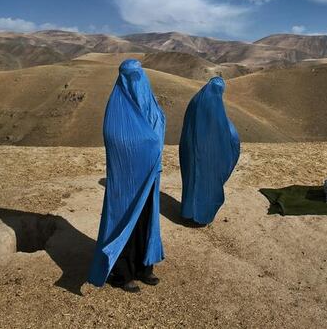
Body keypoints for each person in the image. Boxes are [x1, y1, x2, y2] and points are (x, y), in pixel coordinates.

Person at [88, 59, 165, 292]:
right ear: (122, 78)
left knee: (146, 219)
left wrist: (152, 148)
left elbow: (158, 129)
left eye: (138, 75)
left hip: (150, 175)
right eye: (130, 76)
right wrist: (147, 143)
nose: (136, 81)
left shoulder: (150, 103)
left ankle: (144, 267)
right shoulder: (117, 108)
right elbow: (116, 138)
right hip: (126, 179)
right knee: (124, 220)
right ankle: (122, 273)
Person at [179, 76, 241, 225]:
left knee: (191, 179)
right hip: (210, 153)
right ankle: (203, 216)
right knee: (208, 182)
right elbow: (226, 132)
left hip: (191, 150)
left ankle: (187, 212)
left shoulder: (195, 101)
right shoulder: (216, 105)